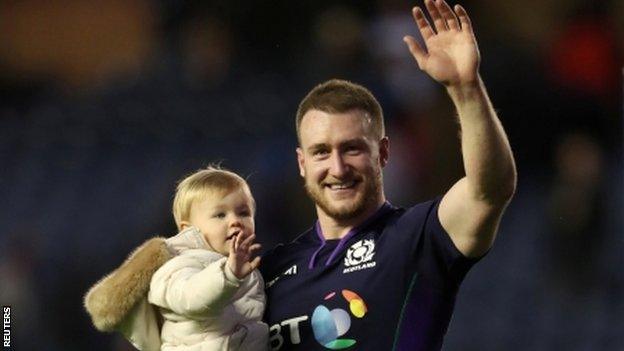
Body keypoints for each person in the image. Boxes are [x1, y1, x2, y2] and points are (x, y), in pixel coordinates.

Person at [85, 1, 516, 350]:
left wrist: (465, 88)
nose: (338, 167)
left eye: (352, 149)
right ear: (301, 164)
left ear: (383, 153)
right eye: (321, 152)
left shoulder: (417, 238)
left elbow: (487, 191)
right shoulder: (260, 274)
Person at [85, 167, 268, 350]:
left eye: (243, 213)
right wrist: (228, 275)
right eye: (220, 215)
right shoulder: (177, 265)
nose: (235, 221)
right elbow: (192, 298)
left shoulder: (245, 269)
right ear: (188, 229)